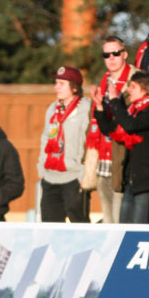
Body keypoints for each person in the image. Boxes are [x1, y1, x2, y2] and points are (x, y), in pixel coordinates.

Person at [95, 72, 149, 223]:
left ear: (145, 89)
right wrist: (100, 107)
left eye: (133, 86)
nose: (128, 90)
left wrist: (115, 101)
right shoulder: (132, 111)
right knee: (124, 227)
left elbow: (131, 126)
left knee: (139, 227)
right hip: (132, 180)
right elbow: (110, 129)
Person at [89, 35, 138, 222]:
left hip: (124, 157)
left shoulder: (136, 79)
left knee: (121, 219)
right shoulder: (103, 82)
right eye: (106, 54)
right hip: (104, 155)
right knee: (108, 219)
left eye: (115, 53)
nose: (111, 58)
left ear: (124, 54)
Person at [37, 66, 91, 223]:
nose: (56, 87)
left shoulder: (86, 108)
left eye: (61, 83)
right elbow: (45, 138)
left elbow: (87, 143)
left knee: (79, 226)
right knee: (50, 228)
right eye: (56, 83)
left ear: (74, 87)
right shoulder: (53, 109)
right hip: (50, 178)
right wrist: (41, 167)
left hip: (73, 178)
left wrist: (83, 174)